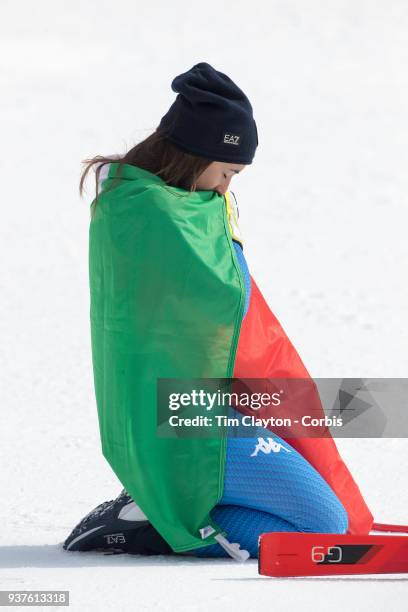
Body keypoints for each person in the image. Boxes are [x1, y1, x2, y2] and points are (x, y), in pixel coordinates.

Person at [63, 62, 352, 560]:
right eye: (227, 172)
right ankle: (151, 521)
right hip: (176, 413)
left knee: (325, 514)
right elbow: (216, 295)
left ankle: (159, 510)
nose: (225, 189)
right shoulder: (143, 210)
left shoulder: (176, 207)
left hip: (211, 400)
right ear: (193, 153)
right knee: (321, 525)